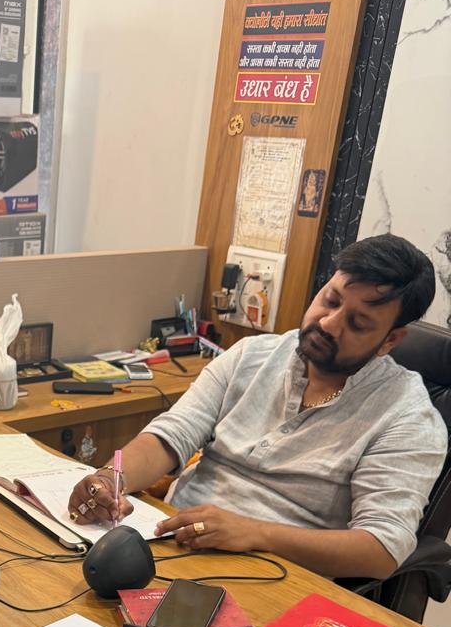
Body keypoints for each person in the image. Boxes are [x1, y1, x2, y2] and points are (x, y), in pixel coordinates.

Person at [68, 234, 446, 579]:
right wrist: (111, 479)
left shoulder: (407, 416)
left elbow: (382, 550)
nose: (329, 324)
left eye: (358, 323)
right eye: (330, 300)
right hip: (170, 539)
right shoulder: (253, 354)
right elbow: (172, 435)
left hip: (275, 575)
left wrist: (256, 533)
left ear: (390, 340)